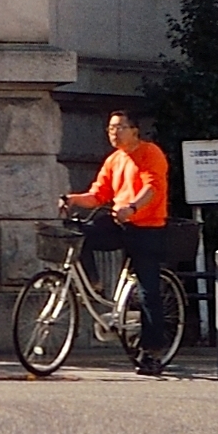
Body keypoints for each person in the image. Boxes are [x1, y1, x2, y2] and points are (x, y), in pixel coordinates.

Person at [60, 109, 183, 370]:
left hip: (147, 226)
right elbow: (98, 195)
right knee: (81, 233)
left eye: (119, 127)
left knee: (149, 291)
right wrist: (71, 199)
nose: (113, 133)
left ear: (134, 130)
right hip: (120, 222)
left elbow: (153, 188)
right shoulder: (114, 160)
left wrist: (133, 208)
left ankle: (152, 352)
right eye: (110, 129)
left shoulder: (151, 153)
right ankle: (94, 284)